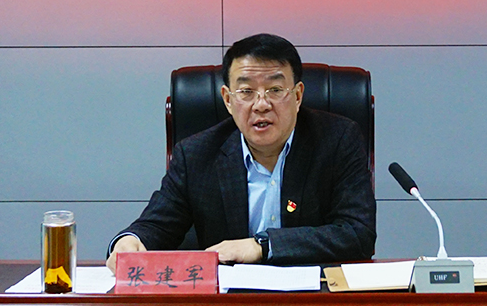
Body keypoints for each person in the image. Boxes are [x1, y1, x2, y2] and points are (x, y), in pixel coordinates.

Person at [106, 33, 376, 270]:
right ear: (227, 99)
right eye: (246, 91)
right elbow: (157, 225)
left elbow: (358, 233)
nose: (261, 104)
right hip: (230, 301)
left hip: (313, 298)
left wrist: (262, 246)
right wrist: (130, 241)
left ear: (297, 96)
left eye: (275, 90)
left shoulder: (338, 140)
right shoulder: (196, 154)